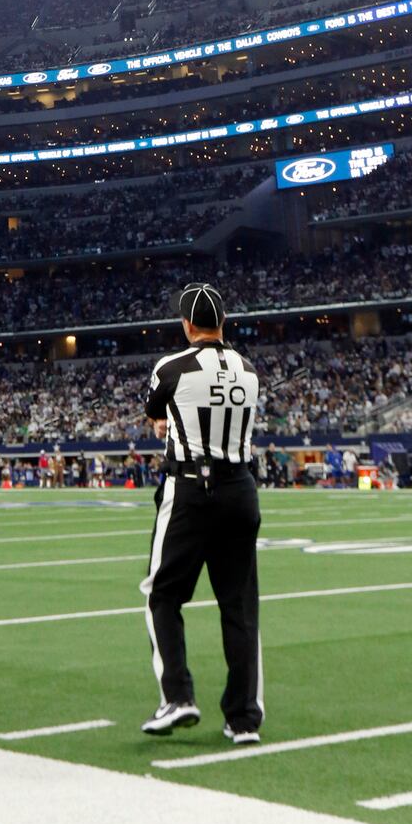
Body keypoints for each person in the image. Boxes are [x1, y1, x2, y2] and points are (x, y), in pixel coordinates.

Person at [140, 283, 263, 747]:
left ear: (186, 325)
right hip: (240, 488)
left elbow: (156, 409)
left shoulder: (170, 367)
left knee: (162, 595)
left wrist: (165, 420)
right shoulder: (248, 370)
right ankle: (244, 717)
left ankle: (178, 695)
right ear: (224, 323)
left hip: (191, 488)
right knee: (239, 606)